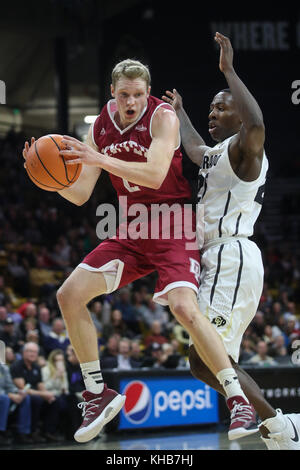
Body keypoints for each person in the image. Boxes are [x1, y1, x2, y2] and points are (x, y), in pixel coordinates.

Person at [23, 58, 257, 444]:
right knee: (68, 295)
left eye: (137, 94)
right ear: (112, 95)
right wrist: (44, 178)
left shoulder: (162, 116)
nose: (131, 101)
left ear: (147, 93)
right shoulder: (101, 125)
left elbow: (154, 172)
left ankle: (237, 399)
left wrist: (98, 158)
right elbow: (81, 194)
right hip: (131, 228)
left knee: (183, 307)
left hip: (173, 222)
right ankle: (97, 394)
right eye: (123, 95)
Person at [162, 32, 300, 450]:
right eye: (212, 106)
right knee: (206, 364)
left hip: (230, 254)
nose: (214, 111)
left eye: (223, 107)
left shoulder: (246, 150)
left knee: (205, 359)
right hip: (217, 260)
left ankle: (283, 428)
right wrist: (180, 111)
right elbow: (193, 148)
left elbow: (257, 123)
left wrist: (229, 71)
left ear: (239, 117)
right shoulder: (218, 152)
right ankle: (280, 426)